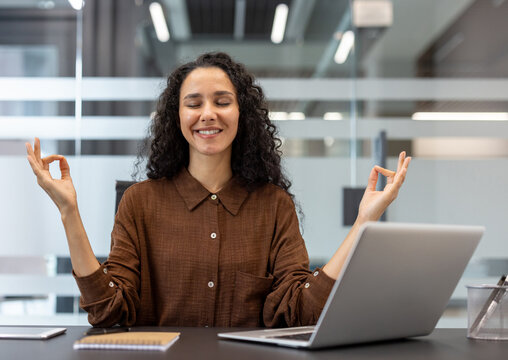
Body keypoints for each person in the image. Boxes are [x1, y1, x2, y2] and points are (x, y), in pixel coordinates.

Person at [26, 52, 411, 328]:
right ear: (177, 118)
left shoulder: (273, 205)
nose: (208, 113)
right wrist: (68, 213)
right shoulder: (140, 202)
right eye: (194, 103)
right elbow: (108, 311)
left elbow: (301, 312)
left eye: (222, 102)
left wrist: (364, 221)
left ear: (240, 114)